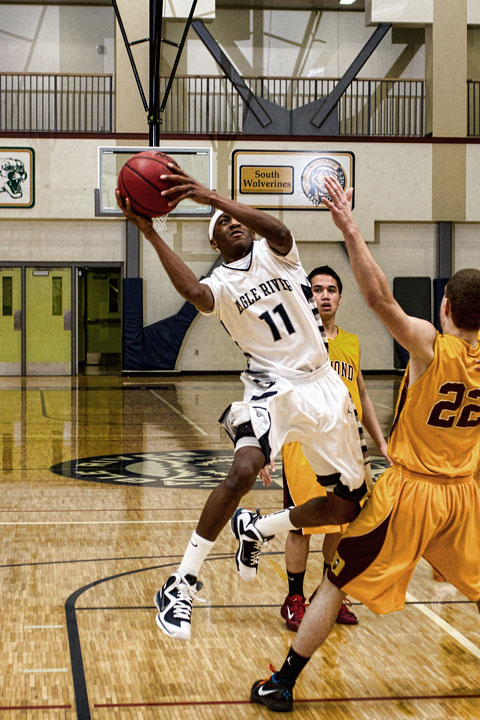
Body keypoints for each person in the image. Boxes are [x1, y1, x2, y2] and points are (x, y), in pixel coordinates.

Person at [238, 174, 480, 712]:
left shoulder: (431, 348)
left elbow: (378, 297)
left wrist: (348, 225)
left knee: (337, 581)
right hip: (465, 495)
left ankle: (283, 682)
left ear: (445, 306)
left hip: (412, 494)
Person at [115, 166, 370, 641]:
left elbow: (278, 228)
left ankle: (258, 526)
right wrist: (149, 232)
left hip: (325, 387)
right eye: (220, 225)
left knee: (346, 508)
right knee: (243, 468)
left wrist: (212, 197)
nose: (230, 224)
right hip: (272, 386)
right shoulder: (221, 284)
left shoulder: (281, 256)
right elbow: (193, 292)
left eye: (235, 219)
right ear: (214, 245)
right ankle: (181, 583)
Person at [279, 264, 390, 630]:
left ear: (340, 297)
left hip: (345, 449)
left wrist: (380, 441)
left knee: (341, 525)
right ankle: (293, 598)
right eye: (316, 289)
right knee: (301, 525)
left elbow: (363, 396)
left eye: (331, 289)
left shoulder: (352, 342)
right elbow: (276, 397)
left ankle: (327, 594)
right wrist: (266, 446)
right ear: (306, 296)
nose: (324, 295)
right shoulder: (294, 342)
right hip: (305, 450)